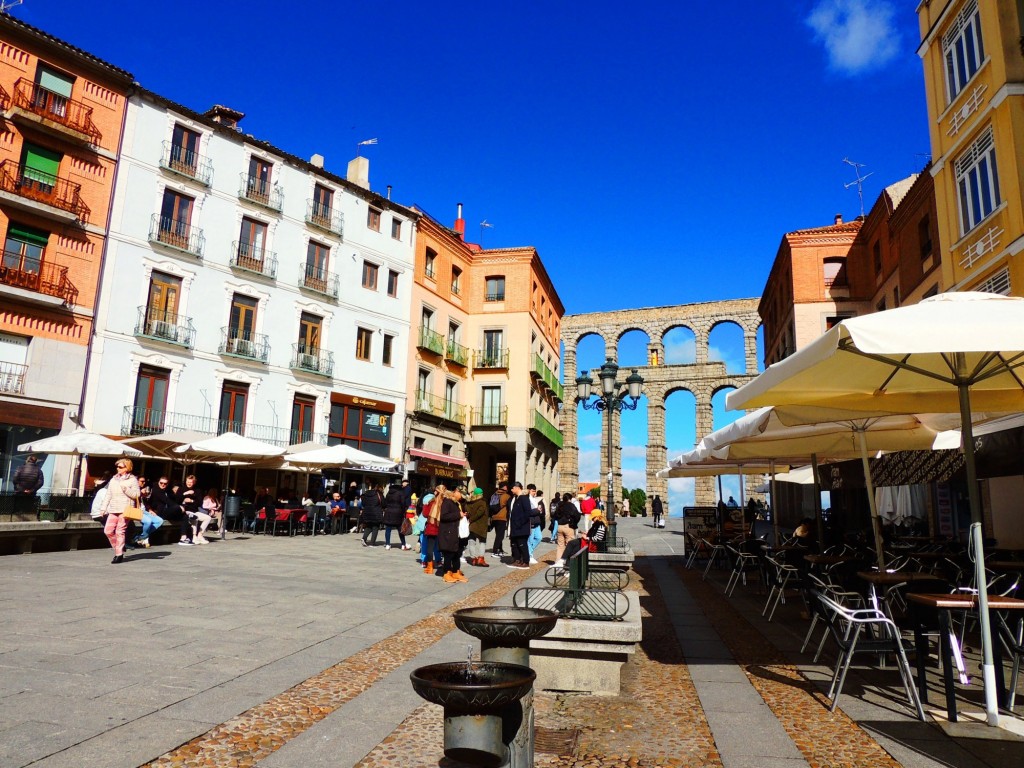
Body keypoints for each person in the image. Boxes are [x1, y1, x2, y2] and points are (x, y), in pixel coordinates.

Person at [99, 458, 140, 564]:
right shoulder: (113, 479)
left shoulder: (132, 479)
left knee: (119, 531)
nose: (118, 468)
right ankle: (119, 548)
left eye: (120, 467)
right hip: (113, 508)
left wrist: (126, 489)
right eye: (117, 466)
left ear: (127, 468)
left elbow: (136, 495)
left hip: (125, 509)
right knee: (107, 531)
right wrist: (103, 508)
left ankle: (118, 555)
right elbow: (108, 494)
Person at [438, 487, 467, 583]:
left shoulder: (455, 502)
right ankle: (447, 572)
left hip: (455, 531)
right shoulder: (447, 501)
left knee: (457, 553)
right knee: (449, 553)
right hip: (448, 532)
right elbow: (444, 516)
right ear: (456, 492)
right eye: (461, 495)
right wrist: (458, 515)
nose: (461, 497)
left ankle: (455, 571)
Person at [551, 492, 581, 568]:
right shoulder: (571, 505)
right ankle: (568, 564)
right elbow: (577, 515)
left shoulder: (560, 505)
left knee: (560, 545)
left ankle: (558, 563)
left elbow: (555, 515)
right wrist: (574, 523)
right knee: (570, 545)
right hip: (568, 526)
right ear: (569, 499)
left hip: (560, 526)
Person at [507, 481, 532, 569]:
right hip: (515, 526)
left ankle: (525, 561)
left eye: (512, 488)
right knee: (515, 544)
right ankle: (517, 560)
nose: (511, 490)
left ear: (517, 488)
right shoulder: (515, 498)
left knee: (522, 545)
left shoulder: (524, 498)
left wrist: (519, 522)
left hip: (522, 527)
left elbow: (527, 512)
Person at [464, 487, 490, 567]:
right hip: (481, 525)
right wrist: (472, 519)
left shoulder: (469, 502)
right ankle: (480, 559)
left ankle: (473, 559)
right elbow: (480, 512)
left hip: (472, 525)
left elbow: (467, 511)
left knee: (471, 541)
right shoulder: (482, 502)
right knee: (482, 541)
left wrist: (470, 519)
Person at [382, 482, 409, 550]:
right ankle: (403, 544)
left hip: (389, 512)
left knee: (388, 528)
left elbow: (385, 503)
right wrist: (403, 512)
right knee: (400, 529)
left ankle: (388, 544)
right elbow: (403, 503)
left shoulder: (389, 493)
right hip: (398, 512)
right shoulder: (400, 493)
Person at [489, 481, 511, 559]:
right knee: (500, 535)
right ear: (505, 487)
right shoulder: (506, 496)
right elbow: (509, 507)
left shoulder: (494, 494)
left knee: (498, 534)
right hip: (502, 517)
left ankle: (500, 550)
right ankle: (495, 551)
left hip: (494, 517)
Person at [422, 492, 442, 574]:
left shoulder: (431, 502)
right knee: (438, 547)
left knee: (429, 547)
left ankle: (430, 566)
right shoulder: (444, 503)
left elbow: (425, 514)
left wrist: (426, 505)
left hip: (431, 527)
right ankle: (439, 562)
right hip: (441, 528)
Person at [526, 485, 544, 565]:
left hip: (537, 521)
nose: (534, 492)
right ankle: (529, 556)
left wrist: (539, 511)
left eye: (535, 491)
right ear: (529, 490)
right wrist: (537, 510)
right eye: (533, 491)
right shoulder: (527, 499)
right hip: (531, 521)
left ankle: (528, 552)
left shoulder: (535, 499)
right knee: (530, 540)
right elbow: (528, 511)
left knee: (539, 537)